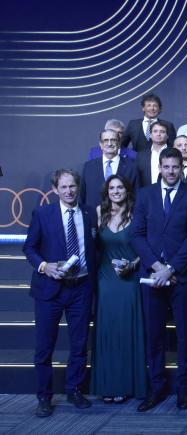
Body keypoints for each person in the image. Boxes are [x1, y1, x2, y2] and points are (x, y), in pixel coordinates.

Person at [131, 147, 187, 412]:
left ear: (181, 168)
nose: (171, 172)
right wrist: (156, 266)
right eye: (167, 167)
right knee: (154, 337)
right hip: (151, 276)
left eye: (176, 167)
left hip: (182, 278)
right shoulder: (145, 195)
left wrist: (170, 268)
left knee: (185, 336)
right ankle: (157, 388)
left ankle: (183, 389)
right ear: (160, 167)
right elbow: (136, 235)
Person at [23, 169, 98, 418]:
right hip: (49, 291)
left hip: (81, 288)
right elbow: (29, 247)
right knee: (44, 347)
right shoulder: (43, 214)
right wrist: (45, 266)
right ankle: (44, 397)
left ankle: (74, 389)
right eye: (64, 187)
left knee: (79, 345)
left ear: (78, 188)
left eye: (73, 186)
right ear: (55, 190)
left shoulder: (88, 213)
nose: (69, 191)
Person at [91, 175, 146, 404]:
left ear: (127, 190)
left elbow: (146, 247)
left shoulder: (136, 213)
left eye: (120, 187)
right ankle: (108, 384)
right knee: (107, 332)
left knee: (125, 331)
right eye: (112, 188)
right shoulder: (98, 212)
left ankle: (125, 384)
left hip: (129, 279)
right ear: (107, 191)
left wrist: (132, 265)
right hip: (105, 279)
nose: (116, 191)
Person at [81, 129, 140, 207]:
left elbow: (136, 195)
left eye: (113, 140)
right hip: (94, 216)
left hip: (123, 216)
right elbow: (82, 195)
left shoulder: (131, 166)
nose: (109, 144)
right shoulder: (88, 167)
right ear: (101, 145)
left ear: (119, 143)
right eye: (105, 140)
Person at [135, 121, 170, 187]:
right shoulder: (140, 156)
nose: (158, 134)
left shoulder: (174, 153)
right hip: (147, 194)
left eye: (162, 132)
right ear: (150, 135)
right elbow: (137, 180)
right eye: (155, 131)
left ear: (167, 136)